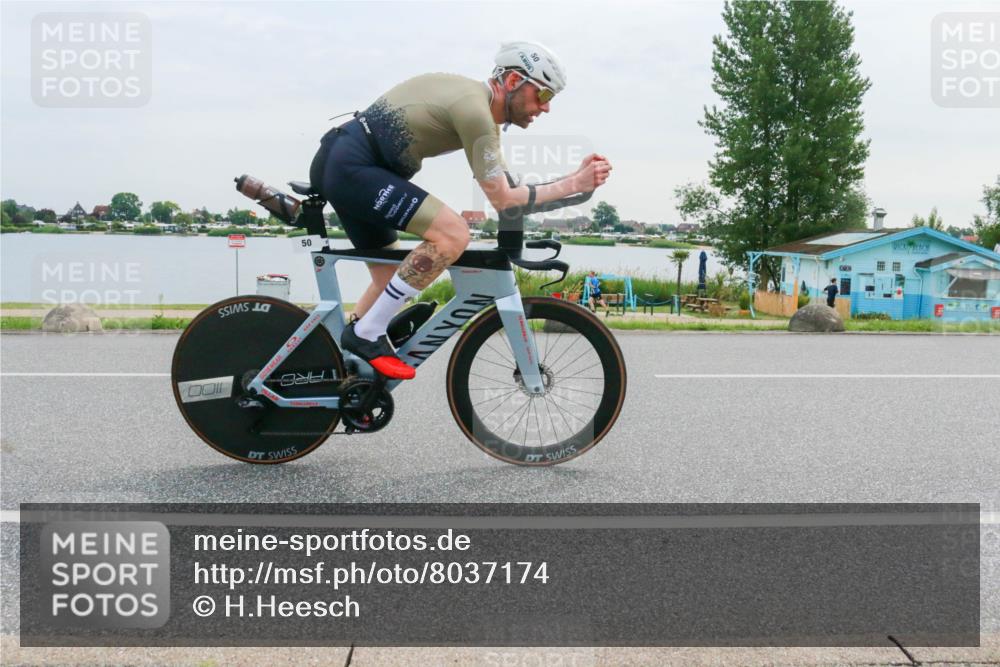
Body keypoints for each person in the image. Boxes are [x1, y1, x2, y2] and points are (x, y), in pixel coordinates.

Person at [309, 41, 612, 380]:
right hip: (353, 166)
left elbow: (509, 193)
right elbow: (503, 200)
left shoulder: (478, 111)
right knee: (451, 234)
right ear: (513, 81)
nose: (545, 108)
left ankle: (337, 370)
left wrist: (574, 181)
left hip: (347, 163)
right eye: (543, 96)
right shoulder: (474, 112)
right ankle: (366, 334)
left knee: (387, 283)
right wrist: (574, 185)